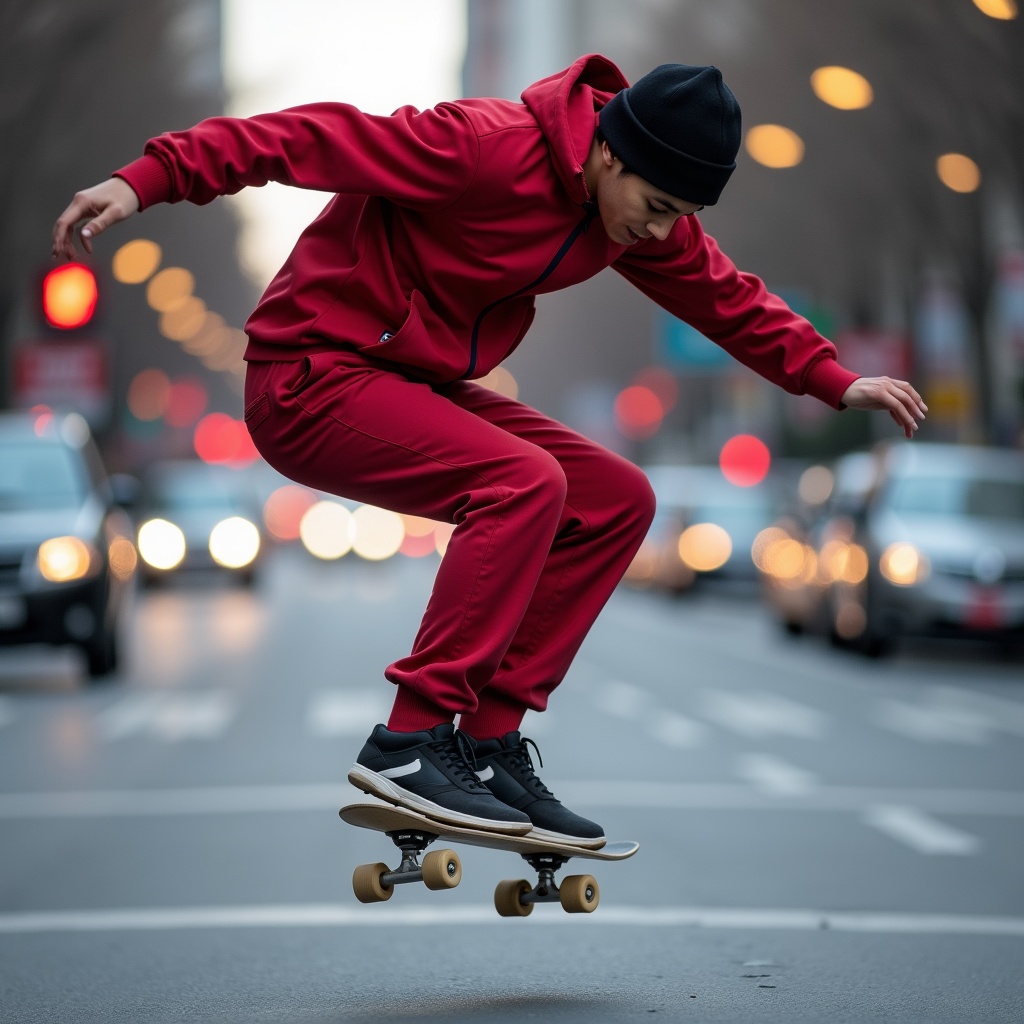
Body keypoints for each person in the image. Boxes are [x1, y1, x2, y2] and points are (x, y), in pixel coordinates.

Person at [53, 55, 926, 848]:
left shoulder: (624, 215)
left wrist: (828, 375)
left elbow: (720, 293)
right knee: (522, 481)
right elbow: (301, 137)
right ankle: (408, 739)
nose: (660, 235)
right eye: (658, 210)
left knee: (615, 498)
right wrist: (150, 178)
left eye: (682, 218)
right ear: (611, 153)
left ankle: (488, 740)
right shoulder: (478, 146)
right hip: (308, 375)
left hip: (409, 385)